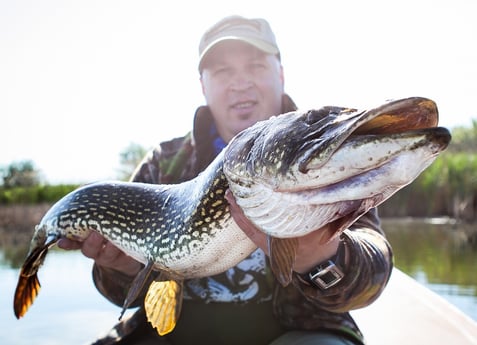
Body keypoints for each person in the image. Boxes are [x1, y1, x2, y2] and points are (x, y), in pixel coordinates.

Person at [59, 15, 393, 345]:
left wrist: (320, 258)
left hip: (301, 331)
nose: (240, 83)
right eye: (223, 71)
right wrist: (123, 268)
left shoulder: (319, 154)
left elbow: (372, 277)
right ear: (203, 86)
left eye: (256, 66)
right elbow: (122, 298)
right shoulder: (164, 164)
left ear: (281, 74)